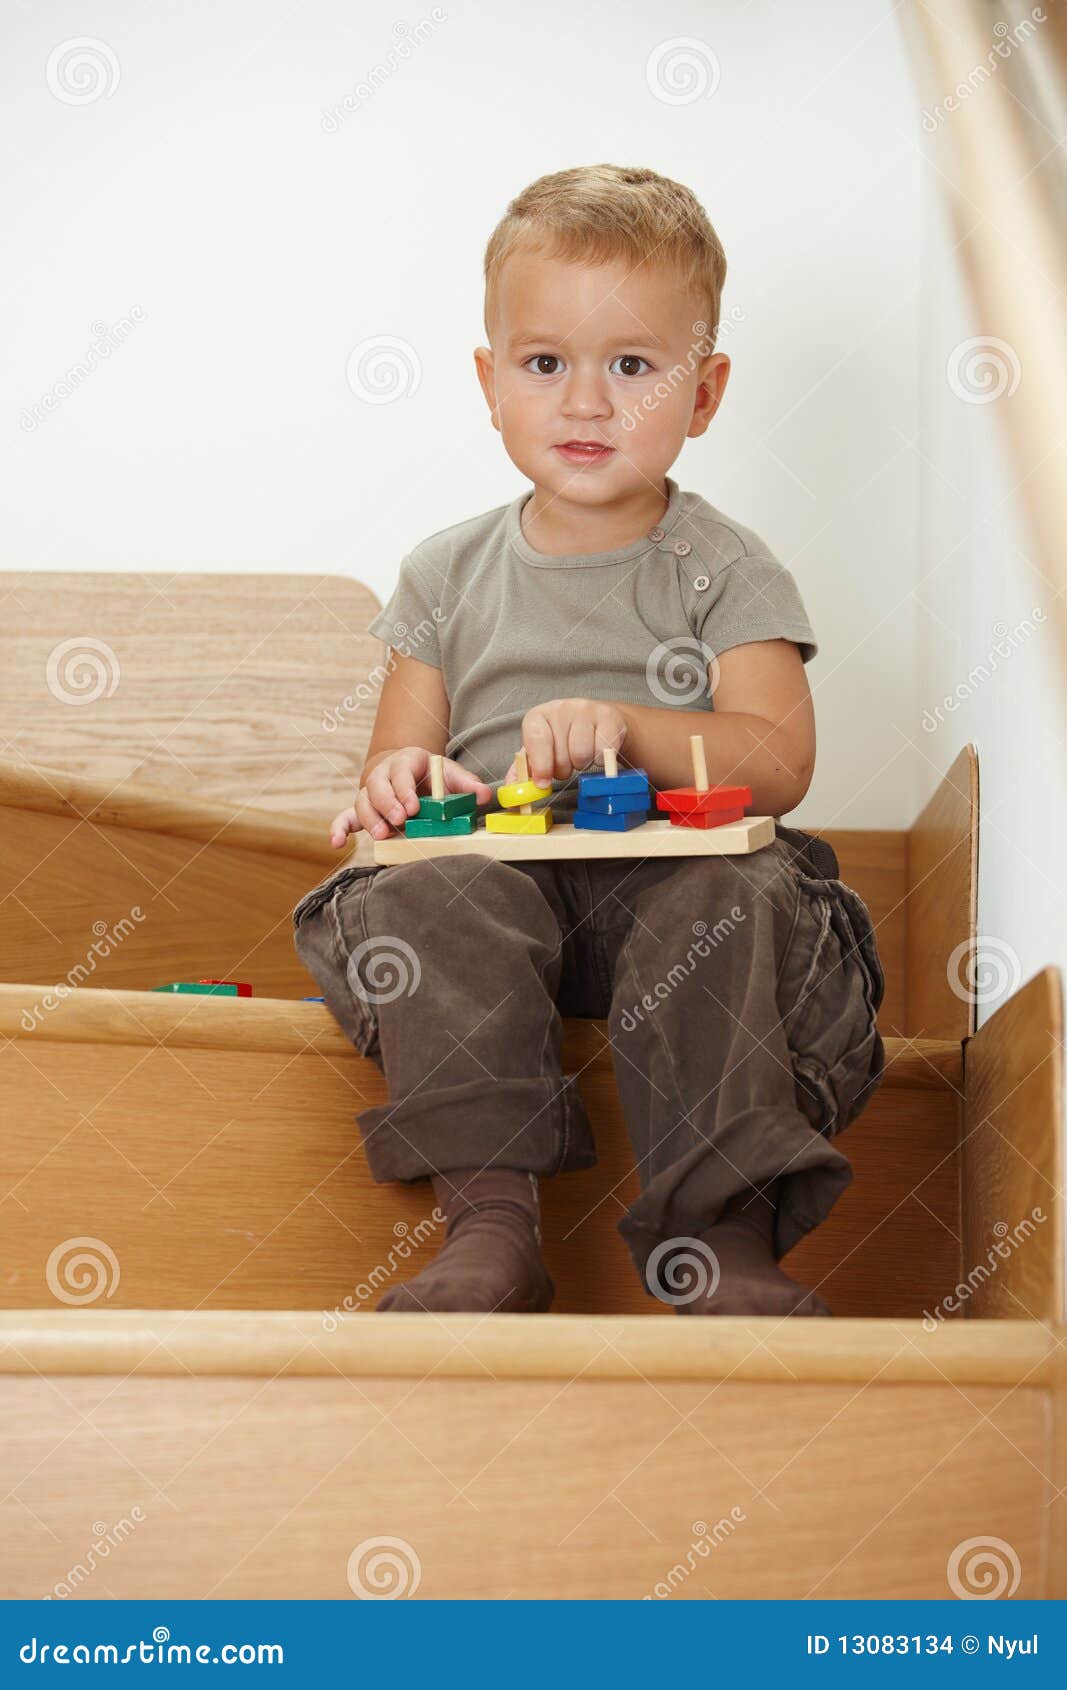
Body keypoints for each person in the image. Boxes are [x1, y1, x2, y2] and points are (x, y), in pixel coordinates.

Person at [292, 164, 885, 1318]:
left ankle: (717, 1238)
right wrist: (402, 777)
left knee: (738, 890)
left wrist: (631, 727)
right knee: (424, 893)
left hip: (675, 911)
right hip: (497, 916)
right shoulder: (444, 574)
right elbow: (392, 774)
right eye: (543, 363)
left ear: (703, 393)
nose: (583, 403)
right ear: (489, 383)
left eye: (631, 366)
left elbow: (778, 759)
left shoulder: (721, 566)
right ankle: (489, 1228)